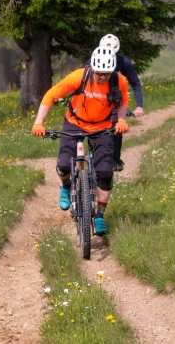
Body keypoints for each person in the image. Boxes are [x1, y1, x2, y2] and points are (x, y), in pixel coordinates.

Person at [31, 46, 130, 236]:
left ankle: (99, 215)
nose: (102, 77)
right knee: (63, 165)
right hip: (75, 122)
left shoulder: (119, 81)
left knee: (105, 172)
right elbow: (50, 96)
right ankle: (66, 186)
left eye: (106, 74)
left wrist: (122, 119)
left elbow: (123, 101)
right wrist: (39, 122)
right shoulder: (78, 77)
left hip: (103, 126)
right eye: (99, 73)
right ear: (92, 68)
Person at [98, 33, 144, 171]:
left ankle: (115, 159)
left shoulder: (124, 62)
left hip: (114, 99)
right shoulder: (93, 60)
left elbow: (135, 84)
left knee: (117, 124)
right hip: (95, 97)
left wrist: (139, 106)